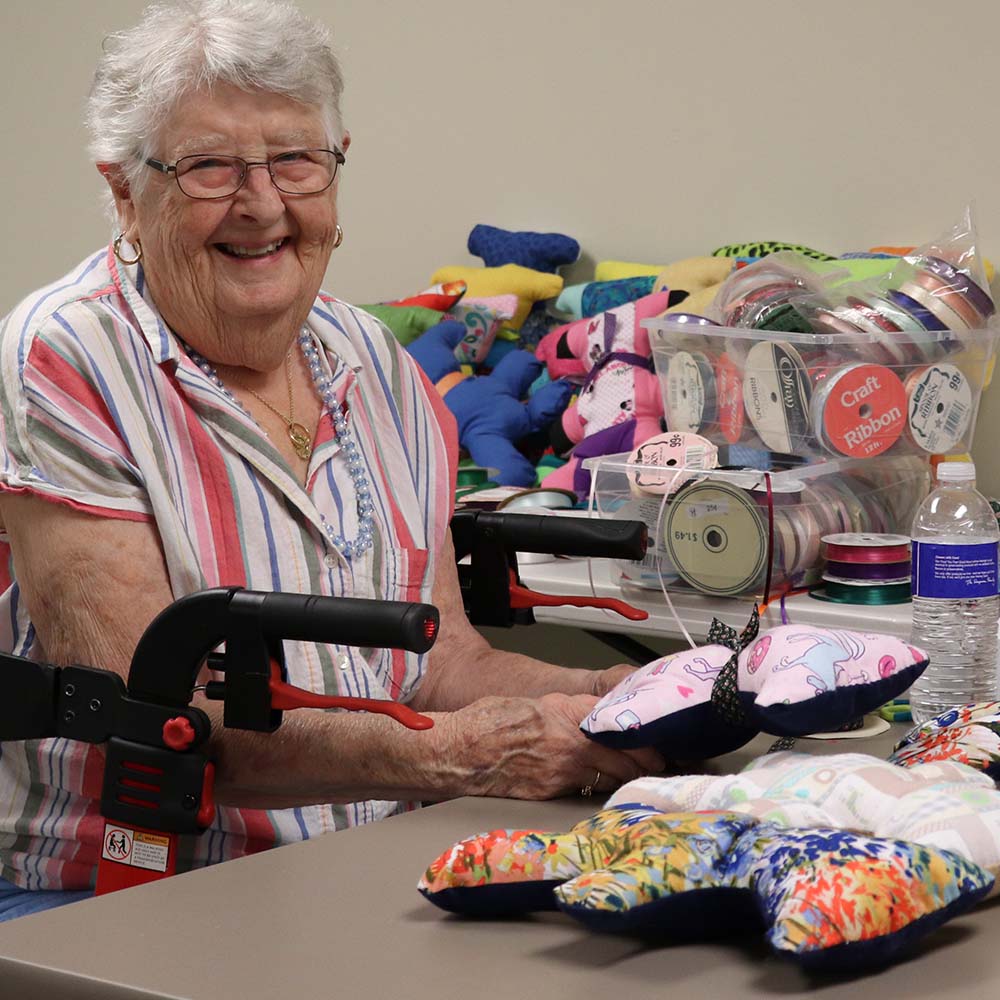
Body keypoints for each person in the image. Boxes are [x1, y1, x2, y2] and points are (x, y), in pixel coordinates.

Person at [0, 0, 662, 920]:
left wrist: (609, 695)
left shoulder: (382, 366)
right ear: (124, 190)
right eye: (211, 167)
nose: (264, 203)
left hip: (363, 881)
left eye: (295, 160)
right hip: (123, 900)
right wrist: (448, 754)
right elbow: (149, 712)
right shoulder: (63, 355)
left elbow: (437, 666)